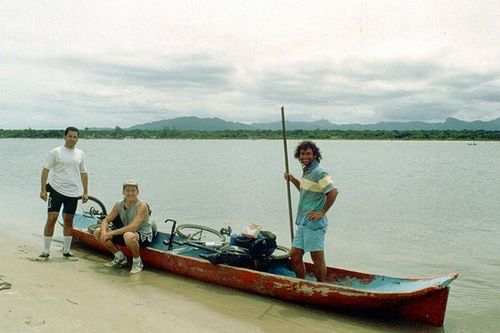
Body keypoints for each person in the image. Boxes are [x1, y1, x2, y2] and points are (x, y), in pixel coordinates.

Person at [284, 141, 338, 282]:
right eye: (302, 154)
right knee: (295, 255)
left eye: (308, 153)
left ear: (315, 155)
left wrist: (322, 212)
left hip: (314, 223)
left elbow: (333, 191)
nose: (305, 156)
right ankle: (301, 283)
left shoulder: (319, 172)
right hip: (303, 222)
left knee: (317, 257)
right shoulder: (307, 171)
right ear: (299, 156)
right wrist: (293, 180)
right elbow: (304, 191)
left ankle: (321, 286)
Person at [39, 126, 89, 260]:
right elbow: (45, 170)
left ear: (77, 138)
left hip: (73, 193)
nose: (72, 139)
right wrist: (43, 190)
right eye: (70, 136)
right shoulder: (56, 152)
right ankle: (45, 251)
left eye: (75, 137)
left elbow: (84, 173)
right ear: (65, 137)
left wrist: (85, 191)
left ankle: (66, 251)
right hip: (56, 190)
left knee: (69, 221)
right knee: (51, 219)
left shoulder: (80, 154)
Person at [93, 180, 154, 274]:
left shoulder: (142, 205)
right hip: (126, 233)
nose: (130, 193)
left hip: (142, 235)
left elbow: (133, 227)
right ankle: (119, 257)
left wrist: (111, 233)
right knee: (98, 231)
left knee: (129, 236)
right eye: (128, 190)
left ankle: (137, 262)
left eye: (133, 190)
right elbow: (106, 220)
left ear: (138, 192)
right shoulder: (119, 204)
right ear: (123, 192)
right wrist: (104, 233)